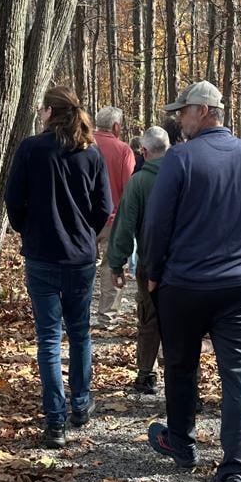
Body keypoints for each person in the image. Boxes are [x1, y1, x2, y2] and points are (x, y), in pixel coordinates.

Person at [140, 81, 241, 482]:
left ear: (204, 111)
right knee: (238, 373)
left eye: (184, 112)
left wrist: (153, 271)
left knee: (181, 366)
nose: (179, 119)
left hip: (184, 285)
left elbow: (157, 224)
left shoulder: (181, 159)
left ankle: (182, 441)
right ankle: (232, 472)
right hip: (239, 286)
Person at [5, 85, 113, 448]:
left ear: (51, 112)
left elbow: (13, 200)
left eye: (41, 108)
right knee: (80, 332)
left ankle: (57, 420)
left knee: (50, 339)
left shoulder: (32, 149)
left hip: (43, 256)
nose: (39, 113)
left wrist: (31, 231)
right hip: (79, 257)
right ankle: (80, 404)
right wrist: (85, 234)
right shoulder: (90, 154)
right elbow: (103, 207)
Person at [104, 125, 171, 395]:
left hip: (149, 262)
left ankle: (146, 374)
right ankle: (185, 379)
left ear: (143, 151)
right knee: (183, 321)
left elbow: (125, 225)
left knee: (148, 317)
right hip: (185, 264)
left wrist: (116, 263)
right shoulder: (186, 175)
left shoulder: (140, 181)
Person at [90, 106, 136, 327]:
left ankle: (77, 313)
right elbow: (130, 188)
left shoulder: (83, 144)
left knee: (82, 266)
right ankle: (106, 317)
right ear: (116, 126)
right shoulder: (123, 150)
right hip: (112, 219)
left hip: (82, 221)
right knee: (111, 266)